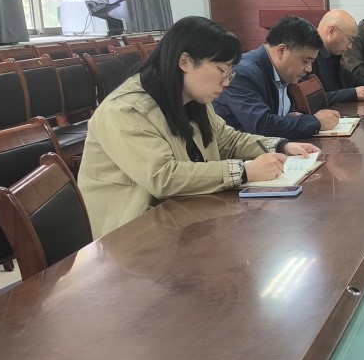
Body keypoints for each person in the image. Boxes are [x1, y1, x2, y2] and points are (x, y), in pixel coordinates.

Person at [78, 16, 319, 238]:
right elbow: (164, 177)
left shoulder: (192, 98)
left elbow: (227, 140)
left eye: (230, 74)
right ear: (185, 61)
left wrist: (281, 145)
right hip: (131, 236)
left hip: (182, 218)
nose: (225, 82)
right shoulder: (125, 110)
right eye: (221, 70)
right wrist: (244, 171)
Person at [214, 15, 342, 138]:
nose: (309, 69)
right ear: (281, 50)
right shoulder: (243, 73)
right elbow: (262, 126)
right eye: (305, 61)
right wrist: (315, 122)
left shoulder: (284, 72)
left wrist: (292, 116)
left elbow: (280, 114)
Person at [314, 9, 364, 103]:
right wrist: (351, 93)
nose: (350, 46)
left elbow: (352, 81)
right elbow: (313, 100)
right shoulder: (308, 57)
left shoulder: (334, 54)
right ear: (331, 31)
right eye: (349, 39)